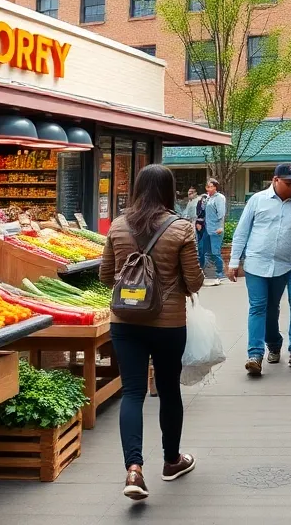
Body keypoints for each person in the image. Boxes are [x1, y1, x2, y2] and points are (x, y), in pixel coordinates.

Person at [100, 164, 205, 502]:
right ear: (169, 191)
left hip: (124, 322)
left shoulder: (118, 225)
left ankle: (134, 469)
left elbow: (105, 276)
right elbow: (195, 281)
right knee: (169, 389)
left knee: (132, 392)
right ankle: (172, 461)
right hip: (168, 323)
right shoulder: (181, 228)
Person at [227, 163, 291, 373]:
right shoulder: (257, 200)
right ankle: (255, 354)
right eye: (289, 183)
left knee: (278, 307)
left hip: (286, 264)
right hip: (256, 263)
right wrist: (234, 262)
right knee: (258, 307)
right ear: (275, 180)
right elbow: (242, 232)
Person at [199, 178, 227, 283]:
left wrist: (221, 227)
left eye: (211, 186)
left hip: (216, 229)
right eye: (208, 186)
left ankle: (220, 273)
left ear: (215, 187)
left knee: (215, 252)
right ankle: (204, 273)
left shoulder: (219, 198)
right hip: (207, 228)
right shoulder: (207, 198)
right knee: (203, 250)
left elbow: (221, 213)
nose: (209, 188)